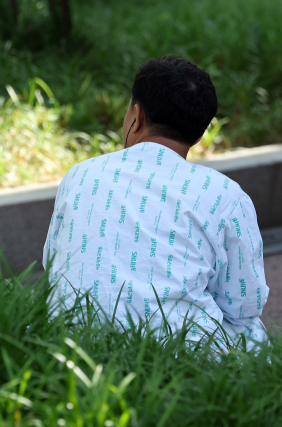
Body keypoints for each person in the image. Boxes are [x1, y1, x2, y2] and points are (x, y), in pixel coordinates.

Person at [43, 56, 269, 351]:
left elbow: (52, 263)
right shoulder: (225, 194)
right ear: (200, 133)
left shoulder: (81, 174)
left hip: (73, 344)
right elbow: (244, 305)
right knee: (252, 330)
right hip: (181, 358)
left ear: (137, 115)